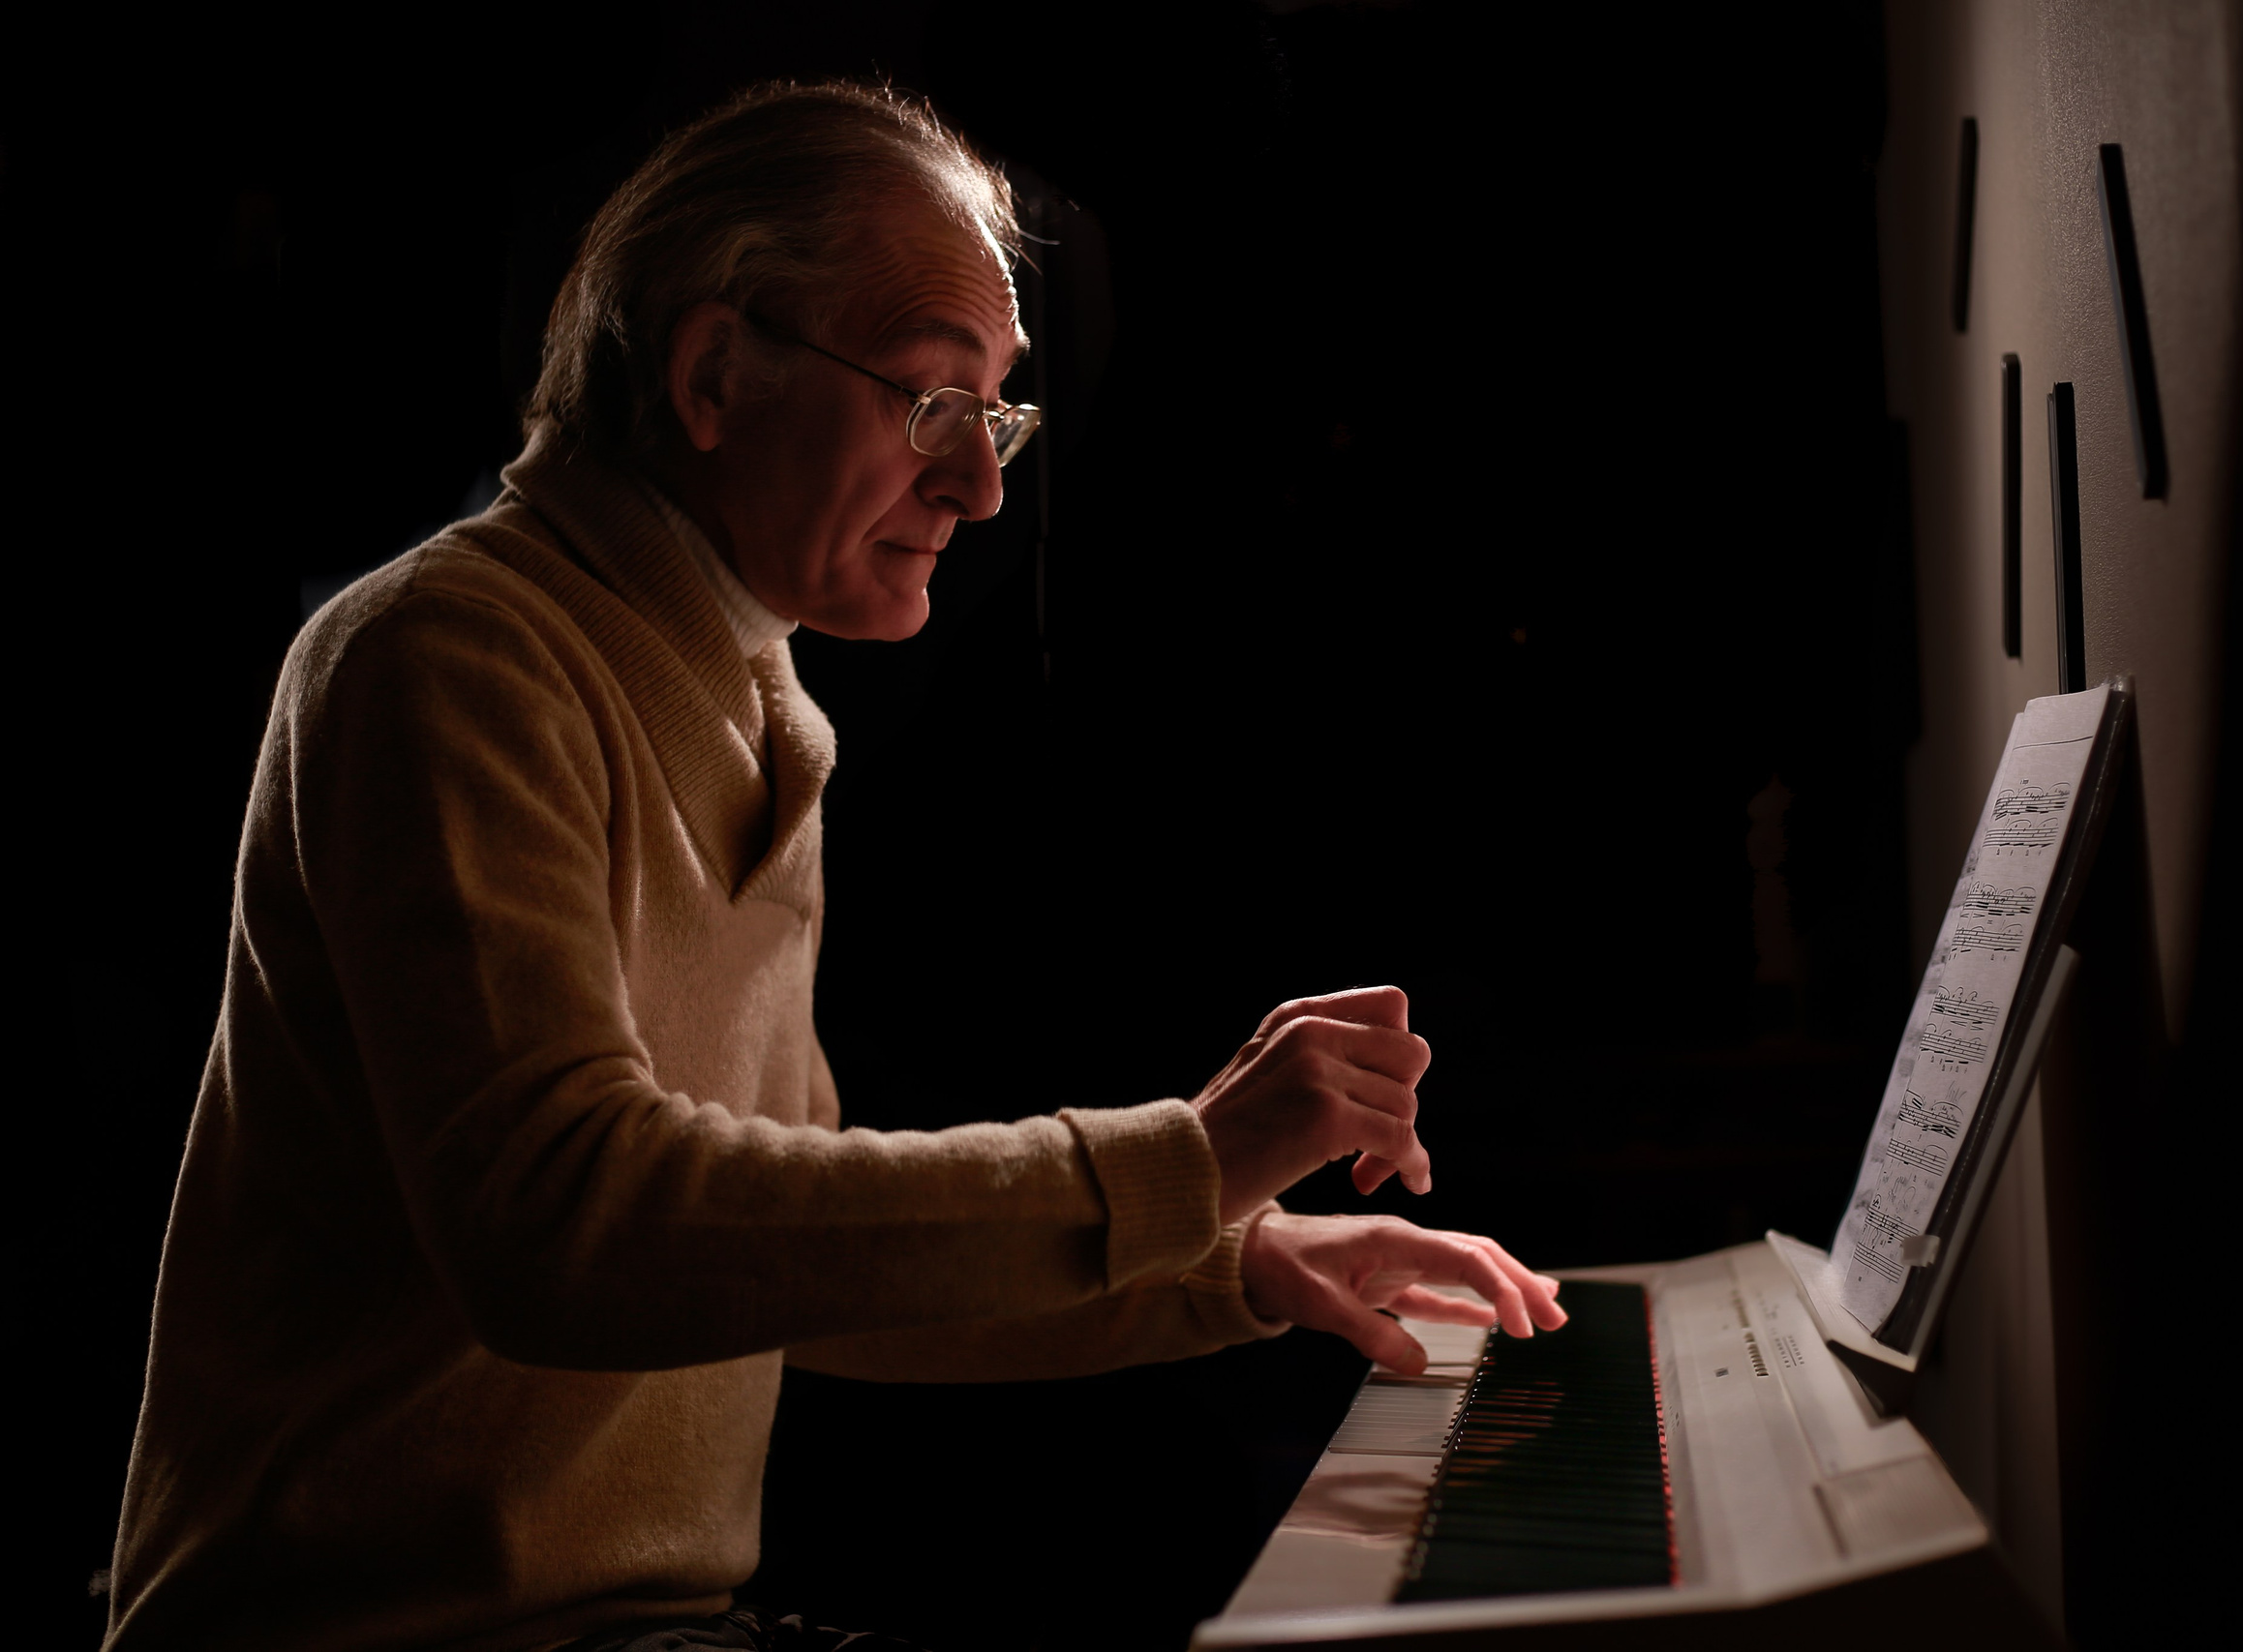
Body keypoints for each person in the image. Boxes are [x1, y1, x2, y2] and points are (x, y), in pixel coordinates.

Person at [105, 80, 1565, 1652]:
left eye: (996, 413)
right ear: (715, 375)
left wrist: (1240, 1261)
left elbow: (791, 1267)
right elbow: (565, 1230)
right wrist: (1181, 1163)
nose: (980, 483)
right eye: (933, 402)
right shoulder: (446, 656)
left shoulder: (762, 706)